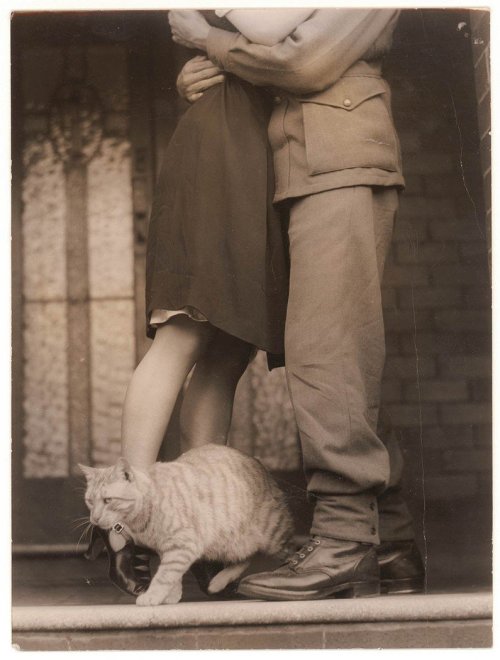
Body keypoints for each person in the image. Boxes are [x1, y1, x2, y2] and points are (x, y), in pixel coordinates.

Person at [168, 7, 425, 601]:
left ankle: (340, 542)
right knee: (334, 357)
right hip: (296, 168)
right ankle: (390, 542)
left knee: (326, 353)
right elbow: (275, 54)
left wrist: (209, 39)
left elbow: (303, 61)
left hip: (338, 163)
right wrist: (205, 68)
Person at [85, 8, 317, 597]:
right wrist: (208, 50)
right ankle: (125, 532)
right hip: (223, 147)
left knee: (228, 351)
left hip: (268, 154)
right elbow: (244, 30)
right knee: (185, 333)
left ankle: (199, 525)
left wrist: (209, 50)